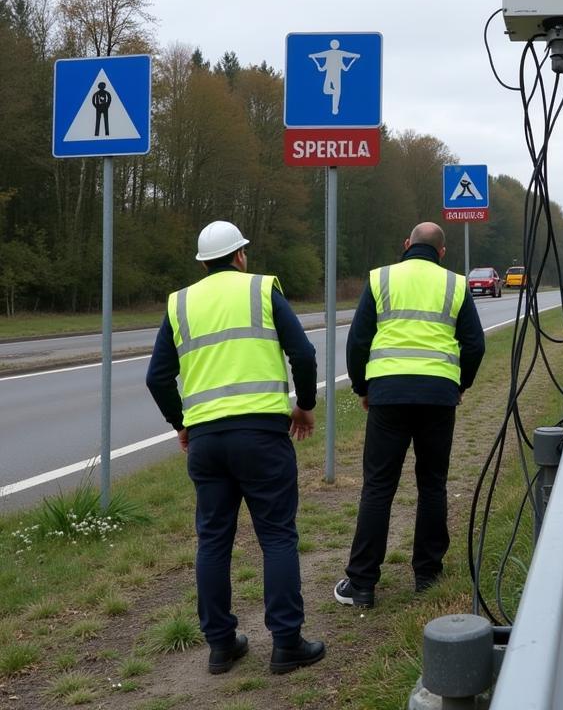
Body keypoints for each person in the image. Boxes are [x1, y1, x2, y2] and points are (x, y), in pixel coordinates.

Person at [146, 220, 325, 676]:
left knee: (213, 540)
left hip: (207, 442)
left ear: (203, 262)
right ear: (240, 255)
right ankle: (286, 644)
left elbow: (157, 377)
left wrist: (182, 424)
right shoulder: (263, 291)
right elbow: (303, 355)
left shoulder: (180, 303)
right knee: (277, 536)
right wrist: (304, 406)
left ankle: (221, 646)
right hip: (262, 436)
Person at [334, 222, 485, 607]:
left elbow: (358, 341)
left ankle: (363, 583)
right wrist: (460, 385)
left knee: (378, 487)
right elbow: (474, 344)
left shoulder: (381, 279)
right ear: (443, 252)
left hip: (388, 395)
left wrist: (362, 387)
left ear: (406, 245)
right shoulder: (455, 284)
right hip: (438, 395)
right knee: (432, 484)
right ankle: (428, 576)